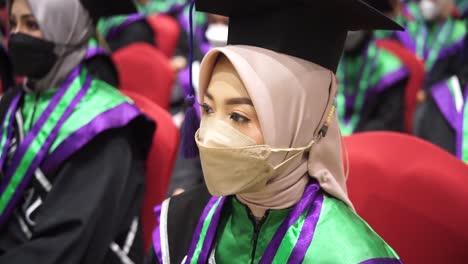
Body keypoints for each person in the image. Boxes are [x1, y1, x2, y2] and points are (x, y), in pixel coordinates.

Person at [146, 0, 403, 263]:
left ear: (300, 123)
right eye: (208, 109)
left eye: (238, 116)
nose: (211, 135)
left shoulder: (351, 255)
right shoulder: (179, 224)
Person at [0, 0, 155, 263]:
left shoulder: (105, 128)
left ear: (66, 28)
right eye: (13, 24)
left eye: (32, 24)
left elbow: (63, 248)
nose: (17, 36)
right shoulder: (15, 101)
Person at [336, 0, 410, 134]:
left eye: (355, 19)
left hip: (369, 147)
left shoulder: (389, 69)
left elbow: (388, 124)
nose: (349, 28)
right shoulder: (324, 65)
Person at [404, 0, 466, 88]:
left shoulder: (459, 34)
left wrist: (429, 96)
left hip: (432, 95)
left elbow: (455, 77)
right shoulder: (406, 17)